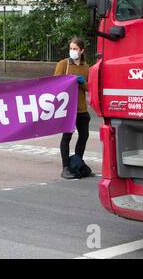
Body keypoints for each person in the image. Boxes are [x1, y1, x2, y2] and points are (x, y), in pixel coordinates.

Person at [54, 38, 92, 179]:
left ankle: (77, 163)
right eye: (71, 48)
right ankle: (65, 168)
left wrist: (82, 82)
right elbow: (55, 84)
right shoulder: (63, 64)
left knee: (84, 136)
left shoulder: (86, 67)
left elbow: (90, 88)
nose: (72, 51)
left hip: (81, 109)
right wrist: (68, 81)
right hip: (68, 109)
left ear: (81, 51)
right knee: (67, 137)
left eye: (75, 49)